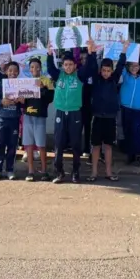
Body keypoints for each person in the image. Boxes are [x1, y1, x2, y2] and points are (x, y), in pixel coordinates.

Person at [47, 42, 95, 184]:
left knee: (75, 144)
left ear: (75, 65)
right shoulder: (59, 75)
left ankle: (75, 172)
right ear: (62, 66)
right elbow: (50, 68)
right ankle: (60, 172)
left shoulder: (79, 76)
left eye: (70, 65)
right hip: (61, 113)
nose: (68, 67)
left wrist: (91, 53)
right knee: (59, 143)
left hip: (75, 113)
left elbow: (89, 68)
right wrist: (50, 54)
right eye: (65, 65)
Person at [87, 41, 127, 181]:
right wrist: (91, 52)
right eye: (103, 70)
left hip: (110, 117)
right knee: (96, 146)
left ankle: (109, 172)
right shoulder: (96, 79)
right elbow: (91, 66)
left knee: (108, 146)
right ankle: (94, 173)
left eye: (108, 71)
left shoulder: (114, 79)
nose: (106, 73)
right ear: (100, 70)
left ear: (111, 71)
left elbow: (121, 66)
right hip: (97, 117)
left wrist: (124, 51)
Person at [0, 62, 24, 180]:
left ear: (18, 72)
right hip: (2, 119)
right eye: (10, 71)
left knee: (12, 145)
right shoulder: (0, 85)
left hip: (14, 119)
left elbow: (26, 104)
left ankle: (10, 170)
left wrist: (23, 101)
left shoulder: (21, 85)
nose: (13, 73)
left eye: (15, 71)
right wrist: (1, 102)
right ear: (6, 72)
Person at [22, 57, 54, 181]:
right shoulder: (25, 82)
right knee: (28, 144)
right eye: (32, 67)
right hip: (27, 116)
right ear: (29, 69)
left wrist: (42, 88)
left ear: (41, 68)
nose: (34, 69)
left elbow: (50, 98)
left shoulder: (47, 81)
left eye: (36, 66)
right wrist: (21, 100)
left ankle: (44, 171)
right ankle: (30, 171)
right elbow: (22, 100)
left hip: (40, 116)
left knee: (41, 145)